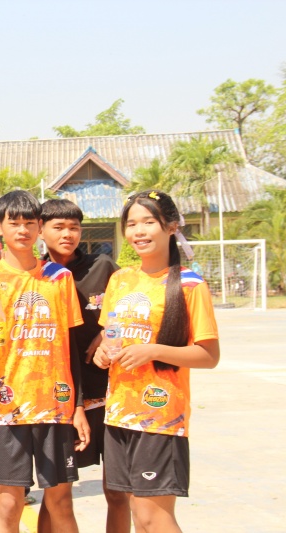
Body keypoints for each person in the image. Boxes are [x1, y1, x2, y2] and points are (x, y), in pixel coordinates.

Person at [92, 190, 220, 533]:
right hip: (118, 414)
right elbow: (110, 335)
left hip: (160, 417)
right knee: (135, 511)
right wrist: (104, 352)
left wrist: (153, 351)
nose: (139, 231)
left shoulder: (189, 285)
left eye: (149, 222)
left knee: (153, 517)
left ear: (171, 226)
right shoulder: (120, 280)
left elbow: (209, 356)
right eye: (131, 224)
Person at [0, 190, 85, 533]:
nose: (22, 230)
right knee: (8, 503)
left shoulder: (59, 277)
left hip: (56, 406)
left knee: (61, 501)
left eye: (29, 223)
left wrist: (77, 406)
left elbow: (71, 347)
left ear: (39, 227)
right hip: (8, 408)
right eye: (13, 223)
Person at [37, 199, 128, 533]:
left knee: (117, 492)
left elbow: (131, 307)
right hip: (61, 398)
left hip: (109, 394)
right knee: (56, 496)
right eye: (58, 227)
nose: (68, 234)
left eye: (74, 227)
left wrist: (107, 331)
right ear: (41, 230)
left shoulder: (103, 266)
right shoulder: (37, 275)